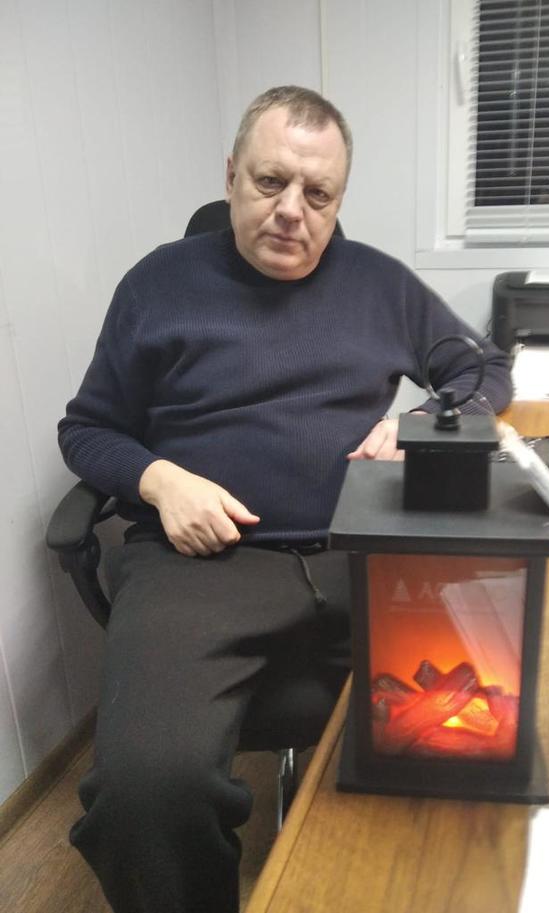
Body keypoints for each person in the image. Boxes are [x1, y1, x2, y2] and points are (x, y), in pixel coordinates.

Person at [58, 85, 513, 913]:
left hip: (359, 548)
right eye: (270, 182)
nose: (291, 211)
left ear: (338, 199)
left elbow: (481, 368)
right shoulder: (158, 284)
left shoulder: (377, 282)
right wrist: (160, 480)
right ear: (231, 174)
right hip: (202, 562)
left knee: (483, 725)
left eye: (318, 194)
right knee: (144, 794)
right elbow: (88, 429)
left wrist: (423, 420)